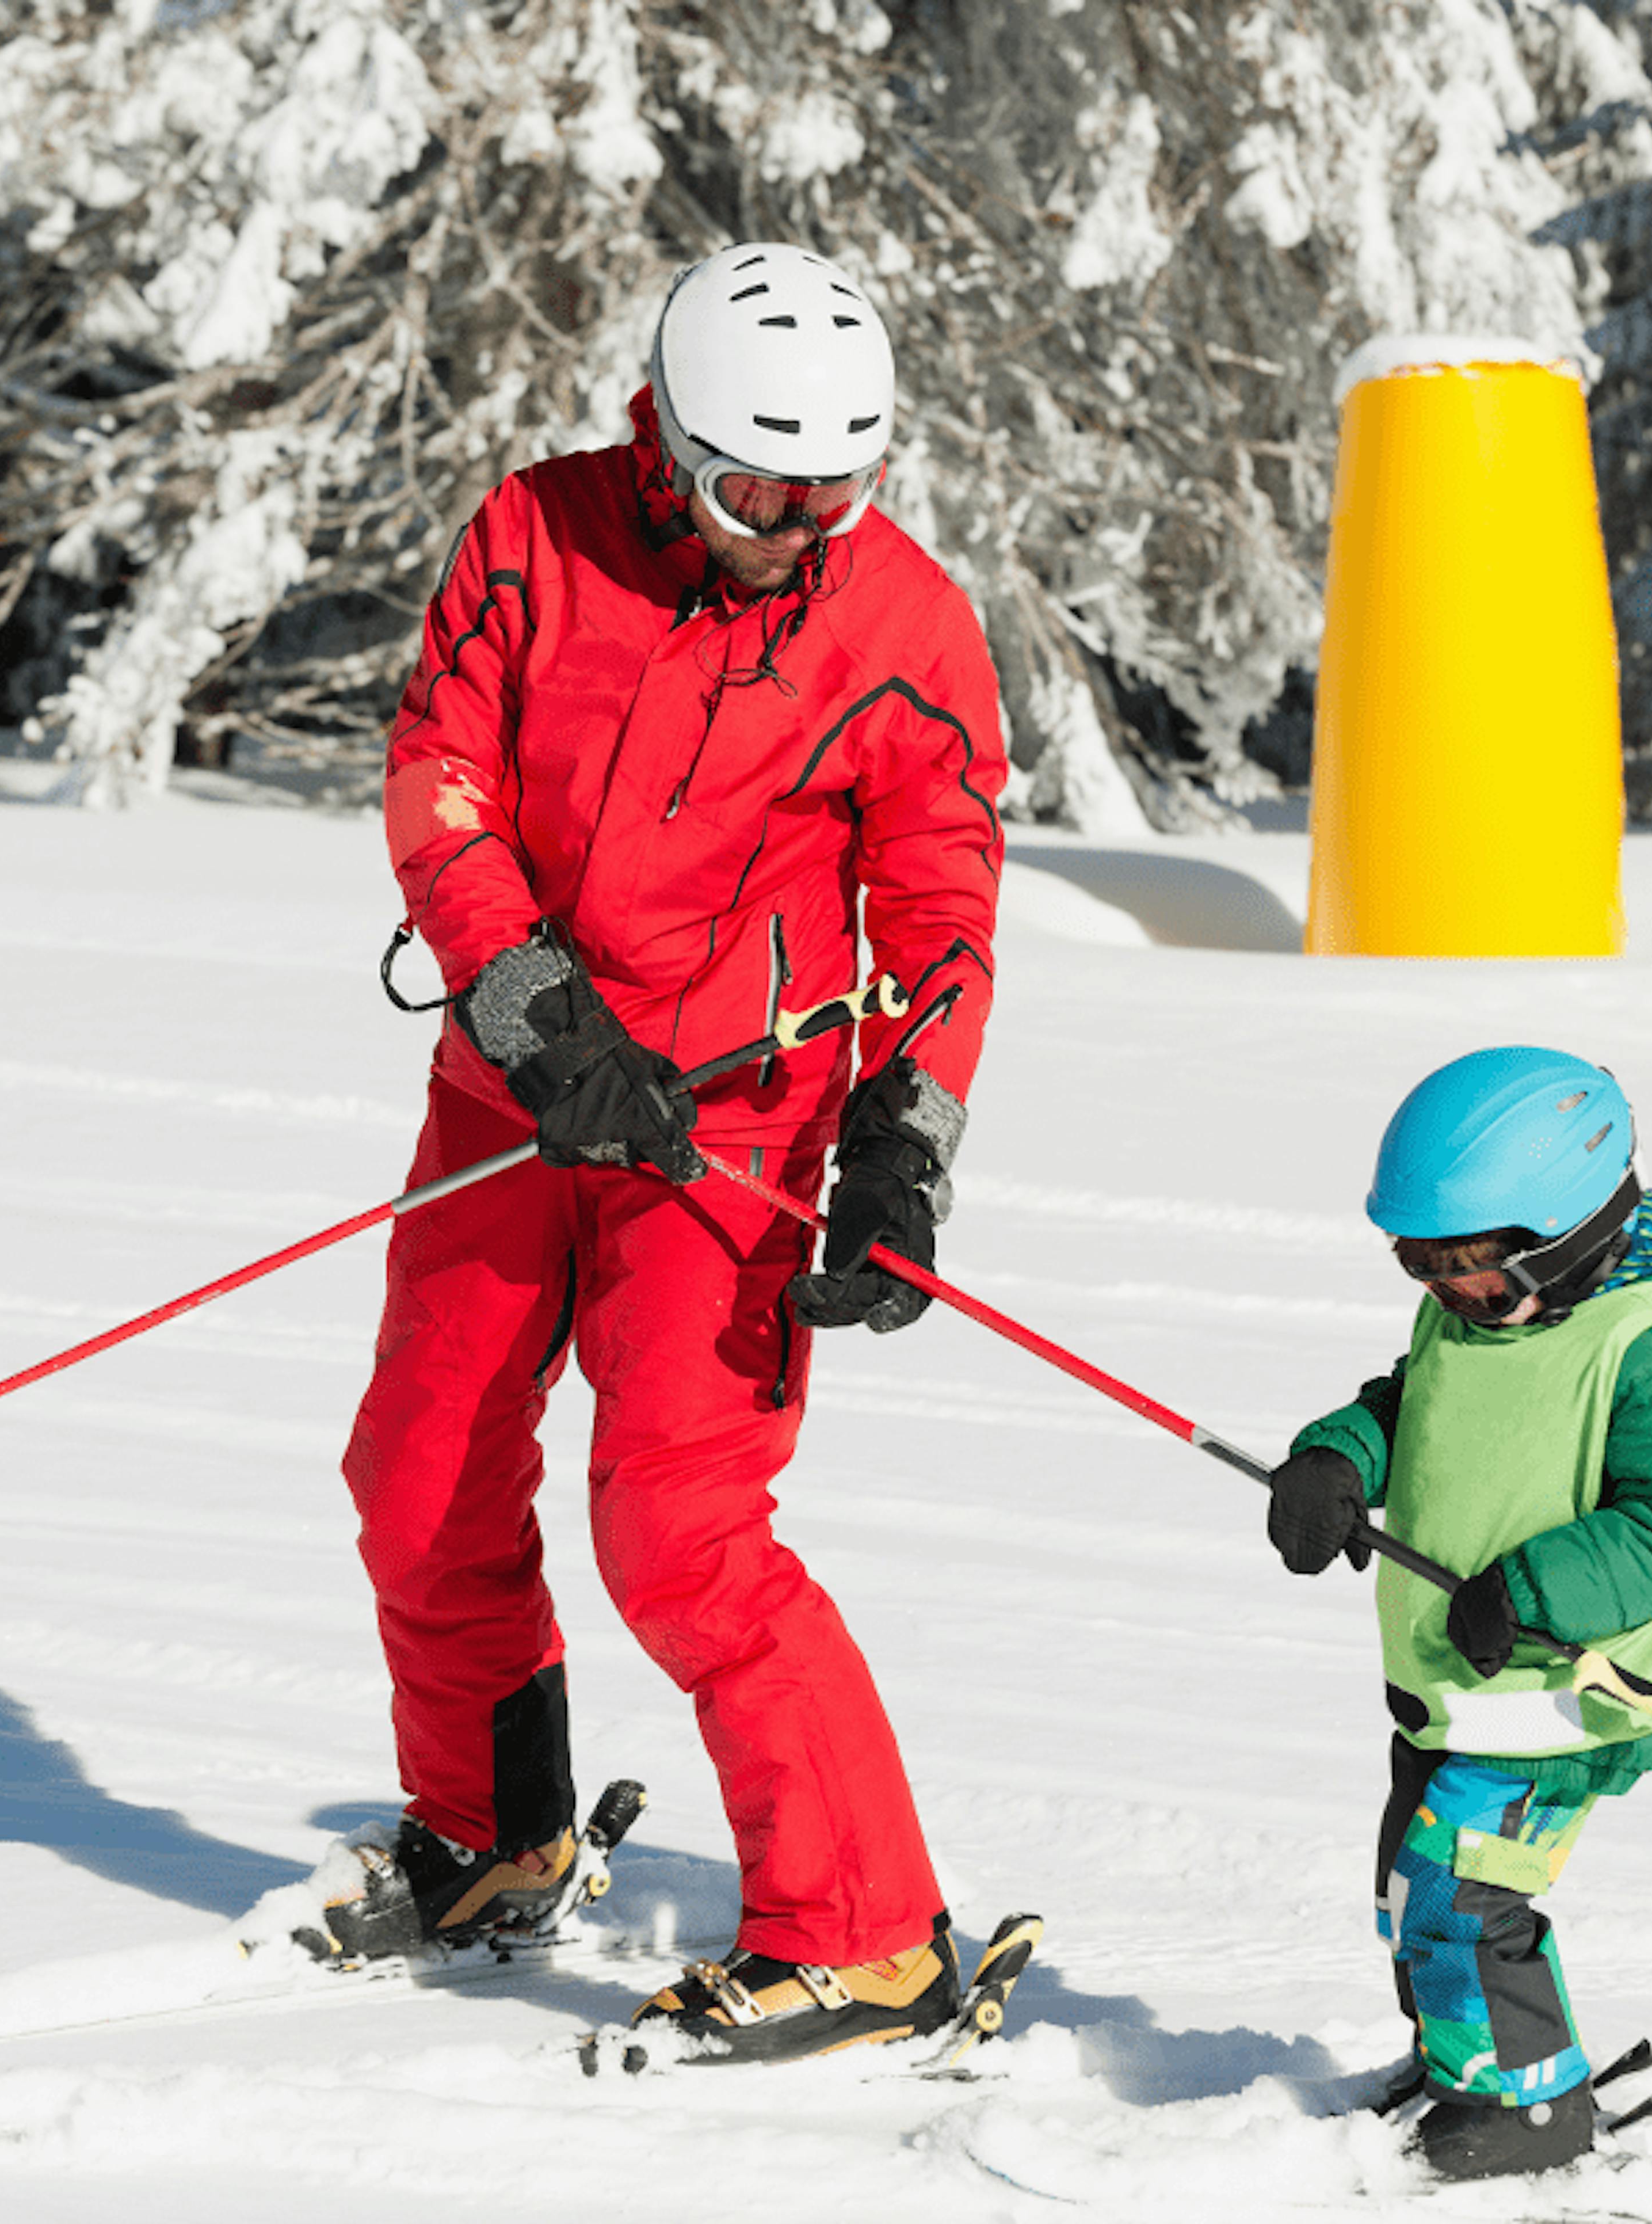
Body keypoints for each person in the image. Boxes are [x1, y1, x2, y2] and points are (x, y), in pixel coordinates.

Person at [321, 241, 1007, 2065]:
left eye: (835, 490)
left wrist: (904, 1148)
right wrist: (532, 1007)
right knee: (419, 1471)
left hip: (734, 1130)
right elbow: (440, 773)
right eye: (753, 486)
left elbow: (941, 908)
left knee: (680, 1528)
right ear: (667, 440)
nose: (793, 523)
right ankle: (489, 1834)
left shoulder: (903, 626)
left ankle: (862, 1936)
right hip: (524, 1086)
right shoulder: (536, 539)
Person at [1265, 1047, 1652, 2180]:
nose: (1451, 1297)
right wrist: (1341, 1460)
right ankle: (1464, 2059)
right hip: (1465, 1684)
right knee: (1414, 1889)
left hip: (1563, 1697)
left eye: (1475, 1274)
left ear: (1572, 1238)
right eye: (1421, 1269)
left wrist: (1537, 1587)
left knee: (1464, 1899)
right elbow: (1425, 1405)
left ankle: (1532, 2110)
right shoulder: (1486, 1321)